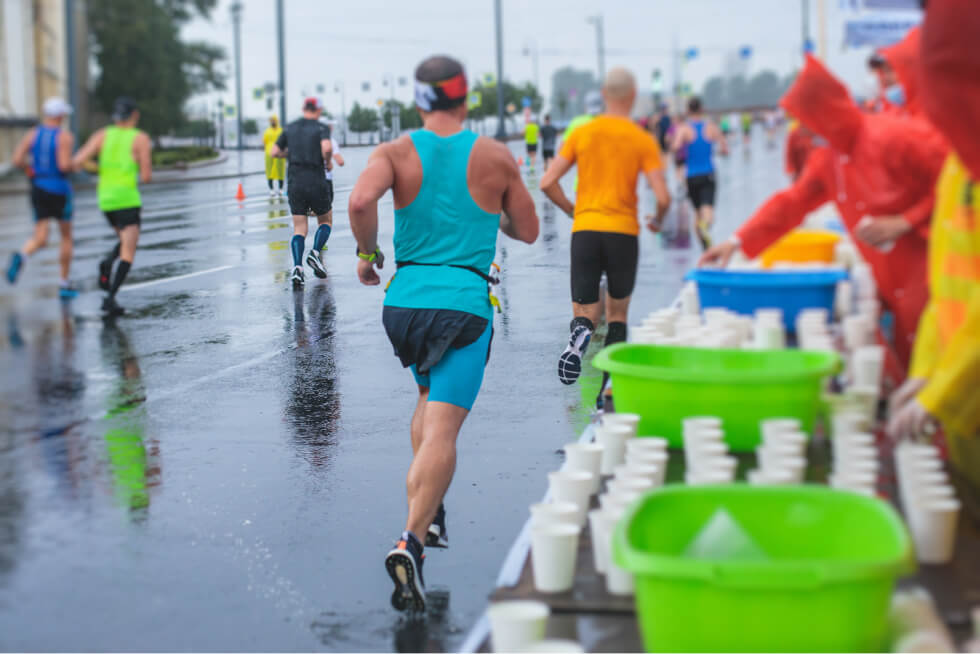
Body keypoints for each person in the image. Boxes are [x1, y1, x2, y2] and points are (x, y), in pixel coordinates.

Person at [348, 55, 538, 612]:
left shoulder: (396, 151)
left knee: (429, 399)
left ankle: (430, 518)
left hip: (403, 303)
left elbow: (360, 201)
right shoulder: (495, 156)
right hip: (462, 307)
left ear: (419, 99)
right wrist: (489, 212)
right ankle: (411, 537)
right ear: (466, 97)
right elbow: (526, 230)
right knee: (445, 431)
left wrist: (366, 254)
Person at [699, 54, 946, 370]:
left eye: (807, 120)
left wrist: (904, 222)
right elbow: (790, 203)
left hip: (934, 274)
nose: (802, 131)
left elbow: (959, 183)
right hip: (889, 284)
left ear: (827, 113)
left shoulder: (897, 136)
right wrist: (735, 242)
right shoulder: (829, 160)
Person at [887, 0, 980, 521]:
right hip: (965, 401)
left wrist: (941, 390)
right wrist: (926, 371)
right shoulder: (958, 165)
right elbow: (947, 290)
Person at [540, 67, 670, 401]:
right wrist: (657, 218)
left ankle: (580, 335)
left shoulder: (584, 133)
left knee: (584, 313)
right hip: (622, 234)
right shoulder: (641, 138)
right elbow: (664, 196)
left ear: (605, 94)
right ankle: (606, 391)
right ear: (631, 96)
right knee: (617, 315)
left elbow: (546, 182)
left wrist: (573, 210)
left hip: (585, 230)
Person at [72, 97, 152, 317]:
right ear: (134, 115)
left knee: (125, 240)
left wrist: (99, 168)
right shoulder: (140, 138)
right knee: (129, 250)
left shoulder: (101, 135)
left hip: (106, 199)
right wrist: (134, 164)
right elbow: (146, 176)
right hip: (126, 198)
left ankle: (107, 264)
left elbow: (78, 161)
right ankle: (110, 298)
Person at [6, 97, 77, 298]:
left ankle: (21, 256)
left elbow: (17, 159)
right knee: (66, 237)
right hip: (60, 189)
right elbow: (64, 165)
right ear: (60, 115)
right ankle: (64, 284)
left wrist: (30, 169)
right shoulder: (64, 137)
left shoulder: (33, 134)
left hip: (38, 187)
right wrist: (75, 165)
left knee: (41, 237)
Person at [269, 97, 333, 287]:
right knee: (325, 220)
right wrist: (327, 160)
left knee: (299, 228)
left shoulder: (290, 128)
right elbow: (327, 148)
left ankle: (297, 268)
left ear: (303, 108)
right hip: (316, 180)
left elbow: (274, 152)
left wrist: (288, 153)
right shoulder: (321, 128)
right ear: (318, 110)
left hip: (295, 182)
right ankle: (314, 253)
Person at [672, 97, 728, 250]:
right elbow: (724, 148)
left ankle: (705, 249)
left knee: (697, 214)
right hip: (708, 174)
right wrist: (718, 151)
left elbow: (676, 147)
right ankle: (706, 226)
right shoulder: (711, 127)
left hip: (691, 176)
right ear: (702, 109)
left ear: (688, 111)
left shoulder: (684, 129)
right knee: (708, 210)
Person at [322, 130, 345, 228]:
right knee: (326, 215)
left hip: (305, 180)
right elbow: (340, 161)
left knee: (300, 226)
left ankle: (310, 211)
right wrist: (328, 162)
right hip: (325, 179)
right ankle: (321, 242)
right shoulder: (330, 140)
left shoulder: (305, 137)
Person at [263, 115, 285, 197]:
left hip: (279, 154)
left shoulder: (281, 131)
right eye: (271, 120)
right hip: (269, 155)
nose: (272, 122)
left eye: (274, 120)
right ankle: (271, 189)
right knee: (270, 171)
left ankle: (281, 189)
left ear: (277, 121)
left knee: (280, 171)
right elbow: (264, 142)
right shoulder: (267, 131)